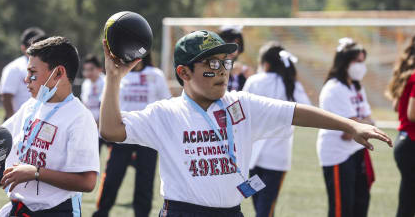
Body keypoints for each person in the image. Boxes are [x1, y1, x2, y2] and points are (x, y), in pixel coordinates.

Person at [99, 30, 392, 217]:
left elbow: (296, 112)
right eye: (211, 64)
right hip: (182, 212)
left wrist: (350, 126)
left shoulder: (242, 104)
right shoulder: (166, 113)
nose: (223, 71)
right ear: (184, 72)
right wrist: (113, 79)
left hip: (232, 212)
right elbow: (111, 130)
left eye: (225, 62)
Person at [0, 36, 100, 216]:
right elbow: (3, 134)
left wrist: (35, 172)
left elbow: (87, 182)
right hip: (21, 207)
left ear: (59, 73)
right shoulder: (31, 106)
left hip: (57, 211)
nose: (26, 79)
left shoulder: (79, 117)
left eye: (32, 72)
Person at [93, 54, 170, 217]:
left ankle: (142, 214)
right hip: (122, 134)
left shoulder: (156, 75)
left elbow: (167, 103)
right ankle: (102, 212)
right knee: (112, 177)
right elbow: (106, 102)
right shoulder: (119, 73)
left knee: (145, 181)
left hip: (148, 137)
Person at [243, 42, 311, 217]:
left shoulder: (254, 81)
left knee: (258, 204)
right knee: (266, 208)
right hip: (277, 158)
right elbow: (308, 110)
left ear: (265, 64)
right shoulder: (290, 84)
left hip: (252, 156)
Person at [317, 38, 376, 217]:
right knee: (342, 209)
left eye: (363, 61)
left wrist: (360, 123)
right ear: (344, 62)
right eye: (357, 61)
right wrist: (361, 124)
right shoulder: (334, 89)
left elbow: (367, 122)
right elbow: (349, 132)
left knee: (360, 205)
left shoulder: (357, 87)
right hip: (338, 155)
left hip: (356, 152)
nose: (361, 66)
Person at [0, 27, 46, 187]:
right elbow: (6, 95)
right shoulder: (15, 67)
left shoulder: (45, 67)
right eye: (32, 45)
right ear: (23, 47)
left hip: (38, 122)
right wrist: (14, 119)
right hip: (18, 121)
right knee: (8, 169)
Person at [385, 35, 415, 217]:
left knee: (407, 202)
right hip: (411, 143)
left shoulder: (408, 72)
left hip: (404, 140)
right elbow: (412, 114)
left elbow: (396, 105)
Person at [80, 54, 106, 152]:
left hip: (107, 127)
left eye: (91, 69)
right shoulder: (85, 84)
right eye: (86, 70)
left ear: (99, 69)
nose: (88, 72)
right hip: (92, 129)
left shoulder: (106, 82)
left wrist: (100, 123)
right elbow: (85, 105)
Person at [218, 26, 248, 91]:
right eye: (228, 43)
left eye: (236, 44)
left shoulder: (244, 72)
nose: (232, 49)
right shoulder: (210, 68)